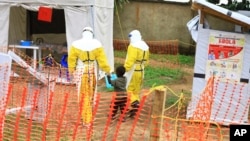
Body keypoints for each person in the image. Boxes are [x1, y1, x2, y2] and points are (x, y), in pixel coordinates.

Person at [68, 26, 112, 127]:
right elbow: (103, 61)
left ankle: (86, 119)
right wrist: (108, 70)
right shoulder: (97, 45)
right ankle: (88, 116)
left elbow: (71, 60)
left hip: (81, 71)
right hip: (92, 72)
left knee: (83, 95)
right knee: (91, 94)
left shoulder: (75, 44)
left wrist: (72, 71)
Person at [124, 30, 149, 118]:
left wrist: (124, 69)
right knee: (136, 91)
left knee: (128, 89)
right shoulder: (145, 46)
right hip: (141, 69)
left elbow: (130, 60)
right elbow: (147, 61)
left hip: (133, 70)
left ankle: (135, 103)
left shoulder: (133, 46)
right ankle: (134, 111)